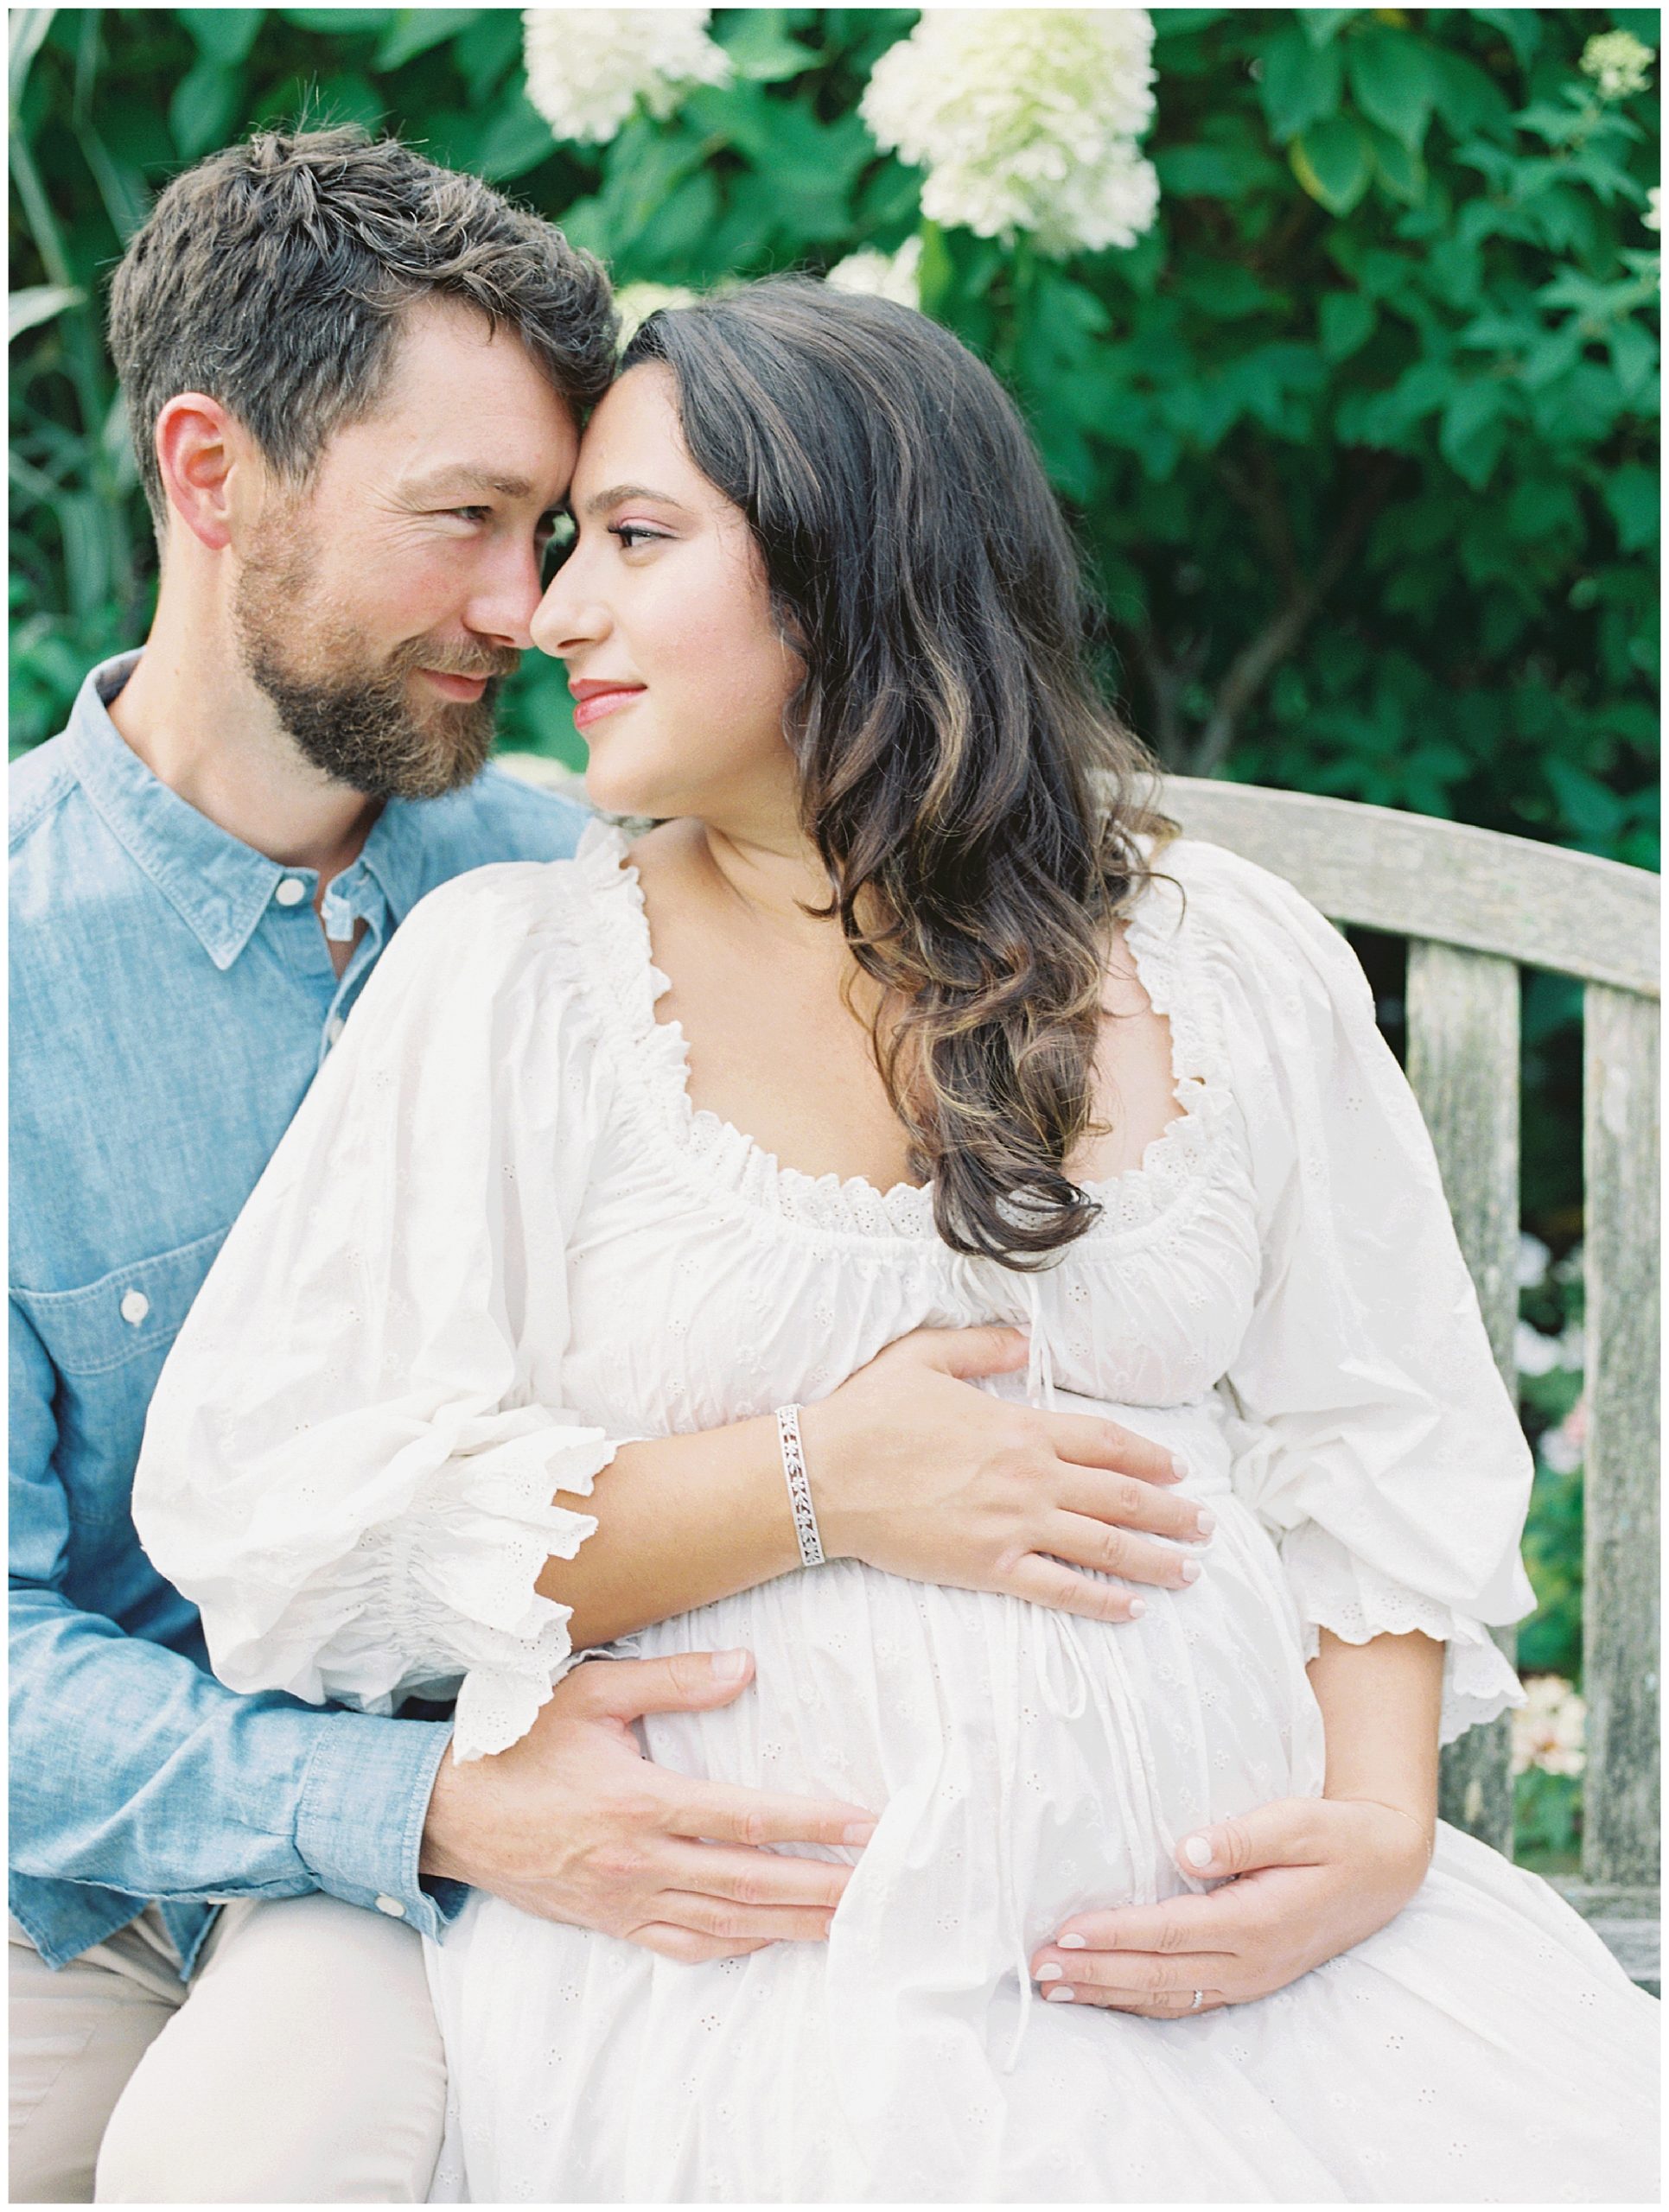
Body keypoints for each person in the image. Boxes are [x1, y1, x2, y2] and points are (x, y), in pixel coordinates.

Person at [134, 282, 1657, 2202]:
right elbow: (289, 1521)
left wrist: (1373, 1827)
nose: (551, 613)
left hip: (1221, 1962)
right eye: (552, 544)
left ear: (861, 563)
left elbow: (1380, 1427)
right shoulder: (518, 985)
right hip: (758, 1983)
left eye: (632, 539)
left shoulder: (1224, 959)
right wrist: (811, 1486)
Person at [10, 137, 1196, 2203]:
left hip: (655, 1794)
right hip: (104, 1884)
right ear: (212, 478)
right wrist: (432, 1803)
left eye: (558, 527)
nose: (529, 606)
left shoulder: (591, 893)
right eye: (464, 520)